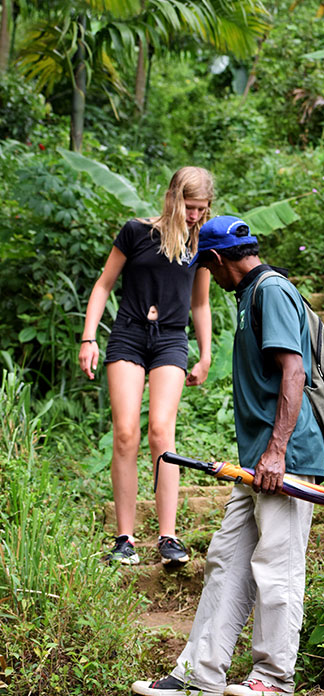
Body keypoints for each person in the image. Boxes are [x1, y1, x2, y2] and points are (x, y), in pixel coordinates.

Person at [131, 215, 324, 696]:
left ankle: (275, 678)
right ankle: (200, 672)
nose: (209, 279)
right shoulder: (250, 295)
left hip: (285, 460)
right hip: (256, 463)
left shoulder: (271, 292)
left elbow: (294, 372)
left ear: (217, 261)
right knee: (226, 560)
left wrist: (278, 452)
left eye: (208, 268)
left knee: (276, 566)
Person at [78, 167, 213, 566]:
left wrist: (205, 355)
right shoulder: (136, 232)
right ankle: (125, 538)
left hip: (171, 338)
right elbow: (103, 284)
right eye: (190, 207)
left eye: (202, 209)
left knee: (160, 431)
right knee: (124, 434)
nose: (194, 216)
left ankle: (168, 537)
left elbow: (200, 303)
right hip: (129, 334)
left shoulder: (199, 244)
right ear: (173, 199)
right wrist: (88, 338)